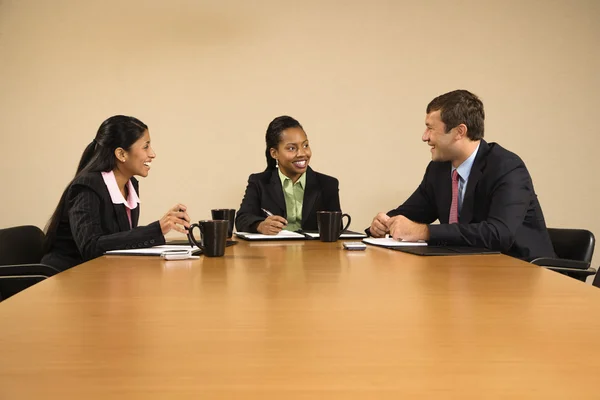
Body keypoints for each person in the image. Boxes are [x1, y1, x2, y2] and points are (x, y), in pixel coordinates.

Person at [368, 90, 555, 260]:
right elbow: (413, 212)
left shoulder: (506, 167)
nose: (425, 137)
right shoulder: (438, 169)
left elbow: (499, 233)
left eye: (430, 128)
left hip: (521, 274)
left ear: (459, 131)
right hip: (466, 271)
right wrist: (384, 223)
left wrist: (424, 232)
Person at [42, 115, 190, 270]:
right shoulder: (87, 186)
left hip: (102, 275)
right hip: (66, 277)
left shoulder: (130, 184)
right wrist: (156, 229)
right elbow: (91, 247)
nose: (152, 154)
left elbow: (120, 241)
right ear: (121, 154)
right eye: (145, 146)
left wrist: (159, 231)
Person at [235, 115, 341, 234]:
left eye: (305, 145)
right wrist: (260, 225)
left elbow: (337, 227)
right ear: (274, 153)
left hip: (313, 250)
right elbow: (242, 219)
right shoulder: (259, 182)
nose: (302, 153)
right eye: (291, 148)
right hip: (275, 251)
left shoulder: (328, 184)